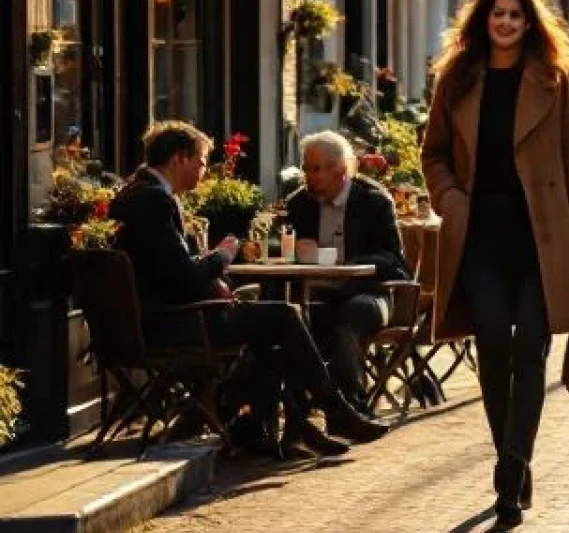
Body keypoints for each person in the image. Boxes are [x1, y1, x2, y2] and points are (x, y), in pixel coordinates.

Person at [422, 0, 569, 529]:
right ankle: (512, 459)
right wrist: (451, 201)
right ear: (483, 19)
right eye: (497, 13)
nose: (505, 23)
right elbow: (433, 155)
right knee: (494, 347)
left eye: (515, 15)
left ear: (529, 24)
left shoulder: (554, 80)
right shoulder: (457, 79)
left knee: (531, 351)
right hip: (479, 237)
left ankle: (511, 468)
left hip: (541, 238)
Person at [110, 122, 388, 458]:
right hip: (176, 323)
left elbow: (167, 268)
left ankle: (266, 427)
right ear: (179, 159)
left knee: (272, 330)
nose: (204, 172)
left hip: (161, 318)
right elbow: (182, 276)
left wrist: (212, 271)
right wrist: (221, 257)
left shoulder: (139, 194)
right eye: (201, 162)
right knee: (284, 315)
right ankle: (332, 410)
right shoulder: (154, 201)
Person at [282, 131, 411, 409]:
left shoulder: (374, 201)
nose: (309, 177)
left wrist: (352, 264)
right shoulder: (298, 204)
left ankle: (350, 405)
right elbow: (278, 252)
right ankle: (297, 411)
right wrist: (288, 250)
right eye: (306, 168)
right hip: (316, 294)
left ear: (340, 170)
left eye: (316, 169)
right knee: (289, 317)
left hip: (369, 292)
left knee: (352, 313)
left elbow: (395, 261)